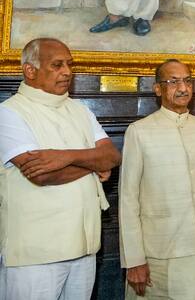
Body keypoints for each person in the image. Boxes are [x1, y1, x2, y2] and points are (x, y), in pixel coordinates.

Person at [0, 38, 121, 299]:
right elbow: (43, 175)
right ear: (30, 71)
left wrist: (63, 156)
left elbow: (111, 156)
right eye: (57, 65)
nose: (67, 71)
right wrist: (91, 164)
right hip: (36, 255)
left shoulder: (80, 110)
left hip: (85, 248)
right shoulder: (9, 113)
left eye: (69, 64)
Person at [119, 59, 195, 299]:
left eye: (187, 81)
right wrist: (134, 260)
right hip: (154, 254)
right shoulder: (139, 131)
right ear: (157, 89)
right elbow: (128, 199)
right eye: (173, 82)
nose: (182, 88)